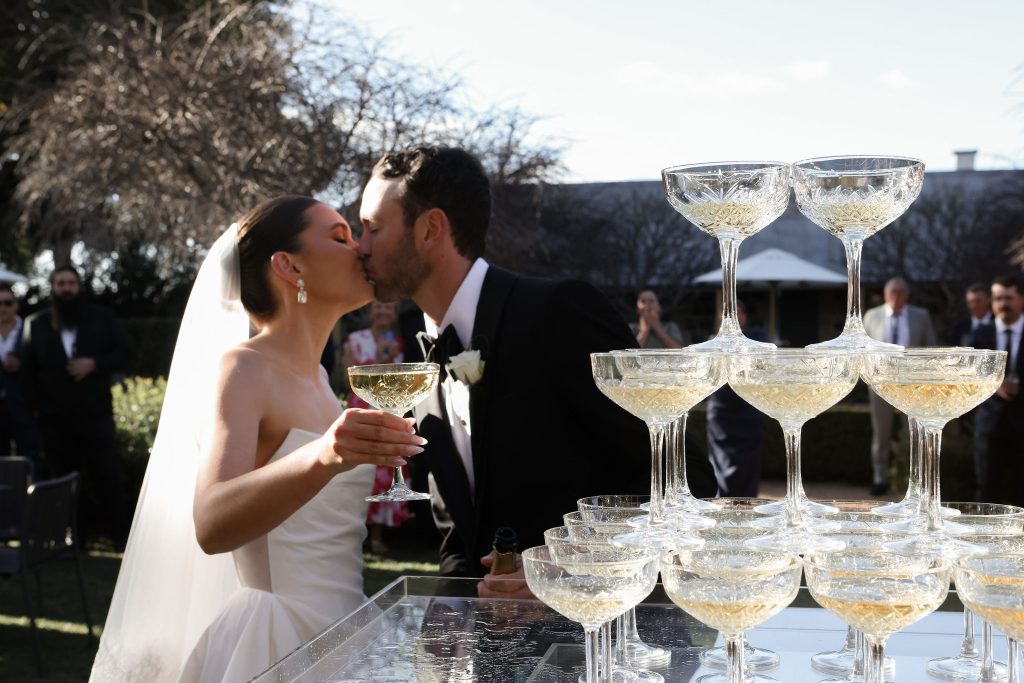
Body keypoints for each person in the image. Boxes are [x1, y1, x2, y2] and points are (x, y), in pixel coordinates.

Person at [356, 145, 717, 597]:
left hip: (605, 647)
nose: (360, 246)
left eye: (372, 228)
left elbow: (687, 480)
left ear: (430, 229)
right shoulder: (425, 360)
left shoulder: (559, 313)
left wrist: (571, 573)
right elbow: (459, 536)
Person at [90, 196, 424, 683]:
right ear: (289, 266)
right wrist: (327, 453)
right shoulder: (244, 367)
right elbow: (211, 522)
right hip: (276, 644)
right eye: (339, 236)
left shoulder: (319, 380)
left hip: (349, 633)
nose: (359, 249)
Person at [20, 266, 130, 546]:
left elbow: (124, 353)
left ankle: (121, 538)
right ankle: (73, 538)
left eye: (71, 283)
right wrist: (35, 409)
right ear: (53, 288)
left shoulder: (101, 318)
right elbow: (27, 372)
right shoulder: (37, 324)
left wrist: (94, 364)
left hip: (95, 416)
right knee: (64, 479)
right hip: (55, 420)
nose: (66, 288)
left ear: (79, 286)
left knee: (107, 476)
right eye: (60, 284)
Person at [341, 299, 411, 554]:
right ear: (370, 312)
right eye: (378, 308)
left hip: (388, 409)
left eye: (388, 308)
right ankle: (357, 530)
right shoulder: (355, 339)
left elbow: (398, 381)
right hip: (361, 407)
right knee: (361, 469)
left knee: (385, 468)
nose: (383, 312)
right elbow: (348, 378)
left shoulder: (398, 342)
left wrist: (389, 356)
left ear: (394, 314)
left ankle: (379, 535)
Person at [862, 277, 938, 495]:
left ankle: (910, 476)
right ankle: (880, 476)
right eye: (893, 292)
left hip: (912, 384)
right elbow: (863, 349)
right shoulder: (871, 316)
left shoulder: (920, 316)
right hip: (880, 383)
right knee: (881, 430)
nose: (896, 296)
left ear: (907, 295)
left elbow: (930, 348)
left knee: (912, 431)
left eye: (900, 292)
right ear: (886, 294)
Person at [971, 274, 1024, 506]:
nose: (1003, 304)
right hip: (989, 425)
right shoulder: (980, 335)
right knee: (986, 489)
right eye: (998, 298)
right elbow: (971, 378)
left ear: (1020, 299)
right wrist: (996, 386)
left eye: (1009, 298)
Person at [706, 301, 766, 497]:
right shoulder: (712, 341)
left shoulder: (757, 338)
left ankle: (748, 501)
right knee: (719, 460)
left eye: (737, 312)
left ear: (745, 316)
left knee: (748, 462)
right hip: (721, 411)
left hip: (749, 407)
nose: (733, 317)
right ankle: (721, 501)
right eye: (727, 313)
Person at [0, 284, 40, 469]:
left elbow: (44, 365)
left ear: (16, 305)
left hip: (25, 408)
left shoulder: (30, 329)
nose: (3, 308)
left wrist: (21, 365)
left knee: (31, 460)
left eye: (7, 303)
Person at [949, 282, 993, 346]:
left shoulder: (999, 324)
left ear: (988, 300)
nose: (974, 306)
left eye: (978, 301)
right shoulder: (960, 327)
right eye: (971, 302)